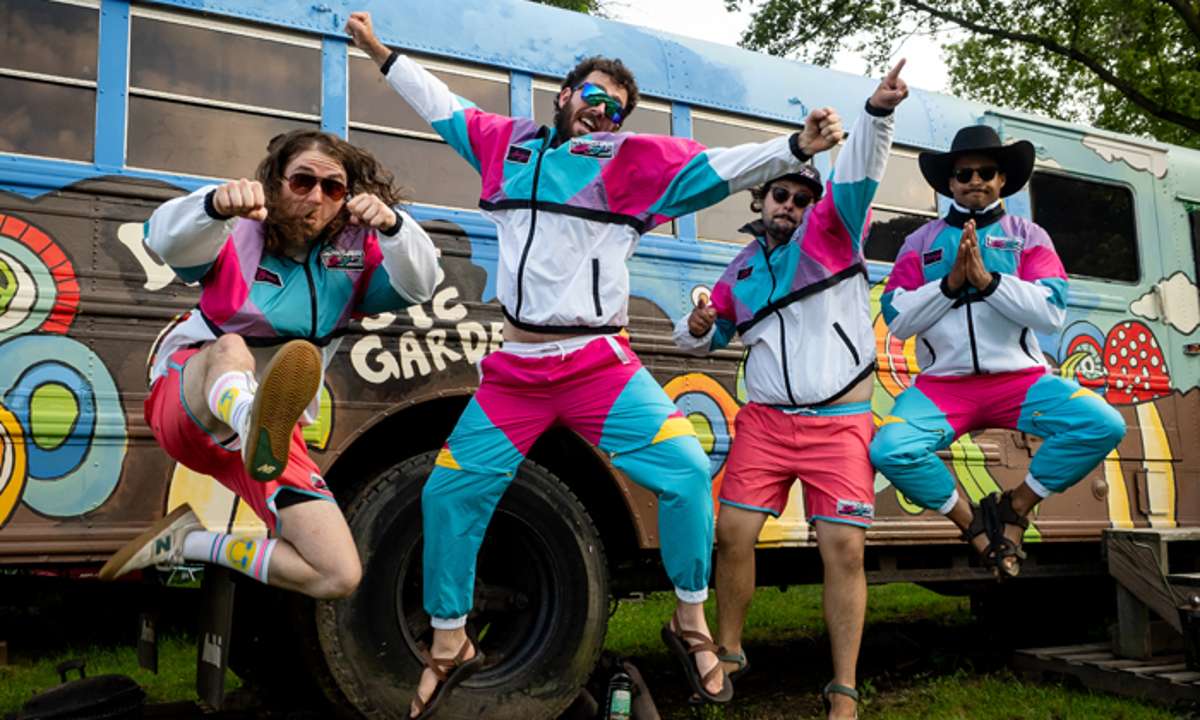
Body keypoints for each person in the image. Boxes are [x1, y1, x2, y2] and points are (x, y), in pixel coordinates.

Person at [344, 11, 844, 717]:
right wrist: (380, 52)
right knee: (448, 493)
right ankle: (451, 641)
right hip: (517, 373)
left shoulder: (630, 164)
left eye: (617, 106)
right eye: (593, 94)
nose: (603, 109)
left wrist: (794, 146)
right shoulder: (505, 146)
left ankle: (690, 620)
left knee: (686, 472)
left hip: (598, 368)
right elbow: (441, 104)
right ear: (563, 96)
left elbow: (717, 168)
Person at [99, 130, 439, 601]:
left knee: (337, 574)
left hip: (268, 441)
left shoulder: (353, 255)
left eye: (332, 188)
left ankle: (188, 541)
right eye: (302, 181)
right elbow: (163, 240)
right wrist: (214, 204)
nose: (316, 197)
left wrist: (395, 226)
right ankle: (249, 418)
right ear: (276, 182)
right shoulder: (238, 231)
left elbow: (421, 284)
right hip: (191, 406)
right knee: (230, 348)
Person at [674, 62, 908, 720]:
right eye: (781, 194)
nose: (791, 205)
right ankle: (728, 651)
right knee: (732, 533)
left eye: (803, 198)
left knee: (844, 549)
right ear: (761, 199)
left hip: (839, 424)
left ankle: (844, 688)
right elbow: (702, 335)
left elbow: (858, 170)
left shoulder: (836, 231)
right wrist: (698, 327)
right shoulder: (741, 270)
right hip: (767, 424)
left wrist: (877, 113)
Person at [869, 125, 1126, 578]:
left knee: (1104, 424)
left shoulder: (1029, 236)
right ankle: (974, 525)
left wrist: (989, 283)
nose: (975, 180)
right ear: (949, 183)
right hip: (942, 387)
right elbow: (898, 318)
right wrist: (950, 285)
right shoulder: (919, 243)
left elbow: (1051, 312)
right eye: (963, 173)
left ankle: (1015, 508)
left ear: (1002, 179)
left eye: (986, 172)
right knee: (890, 450)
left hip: (1020, 382)